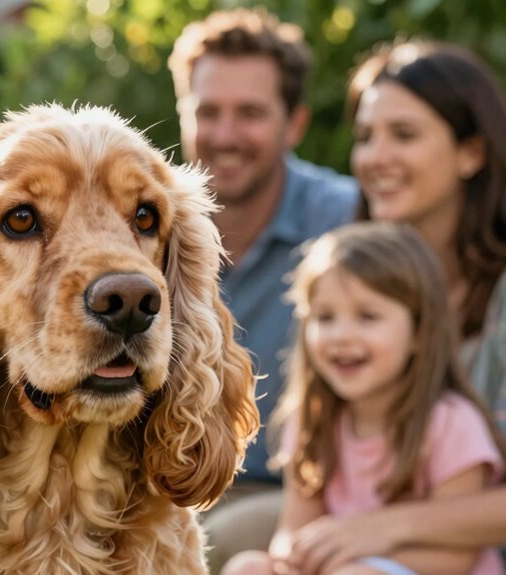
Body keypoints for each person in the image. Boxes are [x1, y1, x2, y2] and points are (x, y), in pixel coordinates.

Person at [262, 39, 506, 575]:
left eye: (404, 135)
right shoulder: (346, 271)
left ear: (471, 153)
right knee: (227, 545)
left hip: (459, 550)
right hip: (354, 524)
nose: (376, 158)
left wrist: (383, 527)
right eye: (366, 136)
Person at [166, 8, 358, 570]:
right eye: (208, 112)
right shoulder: (147, 223)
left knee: (206, 542)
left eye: (250, 113)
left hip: (298, 489)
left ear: (294, 124)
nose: (225, 136)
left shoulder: (346, 222)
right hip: (167, 480)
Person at [223, 221, 506, 575]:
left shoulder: (451, 423)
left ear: (420, 333)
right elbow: (294, 527)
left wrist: (351, 564)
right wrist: (291, 557)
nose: (341, 336)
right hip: (341, 569)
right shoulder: (313, 418)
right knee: (248, 567)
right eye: (325, 317)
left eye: (367, 317)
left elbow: (458, 558)